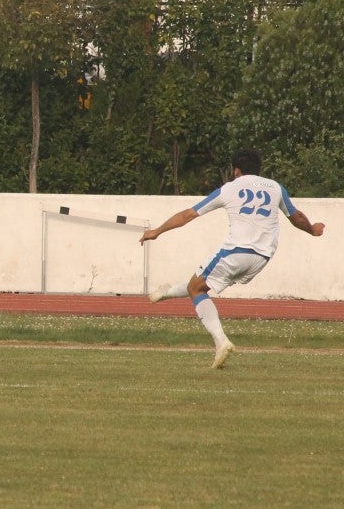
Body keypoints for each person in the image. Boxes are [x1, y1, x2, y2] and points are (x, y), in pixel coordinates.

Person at [139, 149, 325, 369]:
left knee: (196, 289)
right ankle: (165, 293)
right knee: (197, 285)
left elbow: (188, 215)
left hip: (236, 251)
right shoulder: (276, 188)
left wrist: (157, 231)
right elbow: (296, 217)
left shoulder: (229, 188)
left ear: (236, 170)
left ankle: (221, 342)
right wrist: (312, 229)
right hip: (262, 257)